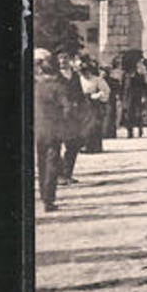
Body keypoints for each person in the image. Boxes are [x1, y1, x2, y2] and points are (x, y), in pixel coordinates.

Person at [34, 50, 70, 212]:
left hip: (38, 129)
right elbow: (67, 109)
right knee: (52, 164)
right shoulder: (59, 87)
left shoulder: (36, 86)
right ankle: (49, 199)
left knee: (41, 163)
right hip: (54, 129)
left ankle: (43, 195)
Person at [56, 50, 87, 183]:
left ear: (69, 60)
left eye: (65, 58)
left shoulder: (75, 76)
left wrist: (82, 109)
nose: (63, 61)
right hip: (59, 116)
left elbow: (80, 94)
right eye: (60, 59)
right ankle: (59, 175)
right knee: (56, 145)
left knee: (73, 145)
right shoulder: (55, 76)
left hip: (74, 116)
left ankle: (67, 174)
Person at [79, 56, 110, 152]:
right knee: (83, 126)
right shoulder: (79, 80)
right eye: (83, 72)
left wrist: (98, 95)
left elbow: (106, 90)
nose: (85, 74)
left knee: (94, 125)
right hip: (82, 104)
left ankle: (95, 146)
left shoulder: (97, 80)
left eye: (87, 71)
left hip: (93, 105)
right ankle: (84, 146)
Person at [122, 58, 146, 138]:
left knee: (138, 114)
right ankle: (130, 132)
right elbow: (123, 87)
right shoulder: (125, 75)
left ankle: (140, 129)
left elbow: (143, 87)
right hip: (128, 97)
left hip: (137, 96)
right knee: (128, 114)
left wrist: (143, 96)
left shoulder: (139, 76)